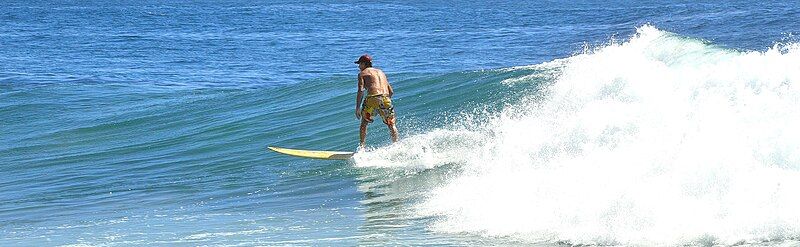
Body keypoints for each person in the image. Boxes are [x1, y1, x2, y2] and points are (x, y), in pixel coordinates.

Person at [354, 54, 399, 148]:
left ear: (364, 64)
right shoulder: (381, 72)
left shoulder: (362, 73)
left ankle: (362, 147)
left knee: (364, 123)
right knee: (391, 124)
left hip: (372, 98)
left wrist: (357, 107)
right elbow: (391, 91)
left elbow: (361, 90)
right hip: (386, 98)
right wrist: (384, 103)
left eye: (359, 64)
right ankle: (396, 145)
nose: (358, 67)